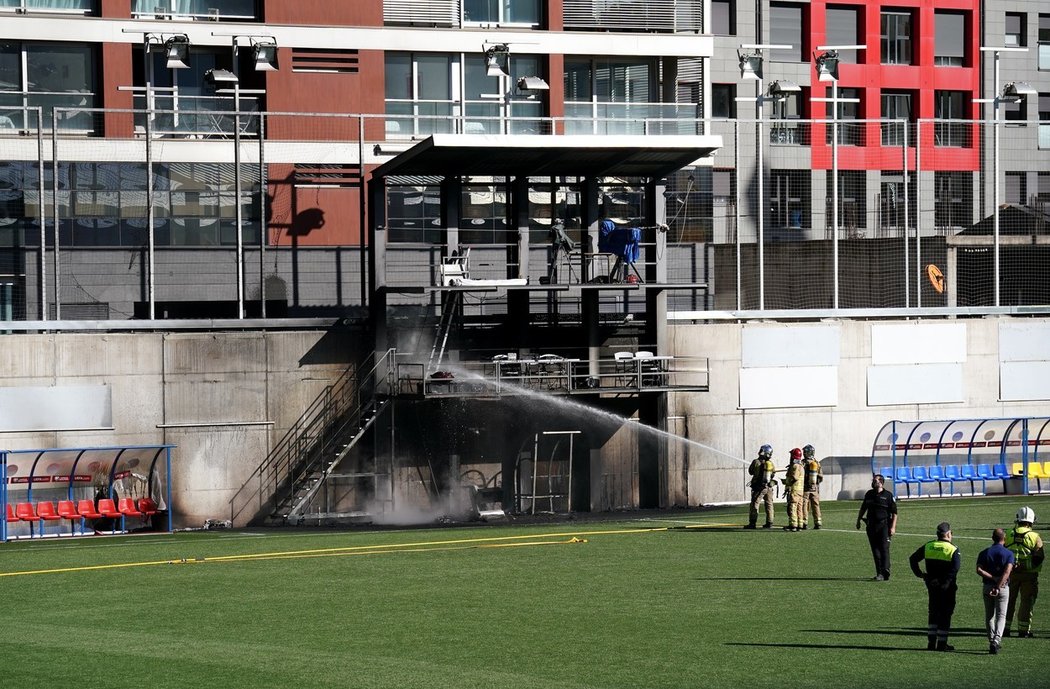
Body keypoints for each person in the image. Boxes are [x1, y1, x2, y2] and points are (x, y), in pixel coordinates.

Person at [910, 522, 962, 651]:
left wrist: (921, 575)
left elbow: (913, 559)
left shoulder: (929, 546)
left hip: (932, 585)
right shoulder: (953, 549)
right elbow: (955, 568)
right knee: (945, 613)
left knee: (933, 612)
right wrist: (946, 581)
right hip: (947, 587)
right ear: (949, 534)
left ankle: (931, 642)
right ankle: (942, 643)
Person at [1005, 506, 1045, 638]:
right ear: (1031, 521)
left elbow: (1003, 551)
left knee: (1008, 601)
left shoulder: (1008, 533)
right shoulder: (1035, 537)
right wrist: (1026, 566)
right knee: (1027, 602)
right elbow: (1039, 557)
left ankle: (1004, 628)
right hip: (1029, 575)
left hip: (1010, 574)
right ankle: (1023, 630)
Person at [976, 528, 1015, 654]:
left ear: (992, 538)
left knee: (989, 616)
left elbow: (979, 570)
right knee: (1001, 616)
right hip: (1003, 588)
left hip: (987, 586)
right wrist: (998, 585)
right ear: (1004, 538)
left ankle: (991, 639)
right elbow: (1007, 572)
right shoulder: (1009, 554)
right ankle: (996, 640)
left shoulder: (984, 553)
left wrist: (992, 578)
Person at [856, 474, 897, 581]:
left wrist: (893, 527)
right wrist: (858, 520)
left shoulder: (888, 495)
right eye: (875, 480)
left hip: (884, 525)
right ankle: (880, 573)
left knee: (884, 548)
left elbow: (895, 513)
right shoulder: (869, 494)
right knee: (875, 550)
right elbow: (863, 508)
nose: (876, 482)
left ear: (882, 482)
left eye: (878, 480)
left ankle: (886, 570)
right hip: (871, 525)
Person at [745, 444, 776, 529]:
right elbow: (773, 474)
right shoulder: (770, 463)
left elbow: (751, 471)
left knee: (755, 504)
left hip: (759, 487)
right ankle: (769, 522)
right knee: (769, 504)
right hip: (769, 487)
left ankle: (752, 523)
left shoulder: (756, 462)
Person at [801, 444, 823, 530]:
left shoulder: (803, 463)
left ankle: (804, 522)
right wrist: (815, 484)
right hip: (814, 489)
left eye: (805, 452)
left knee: (804, 505)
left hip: (805, 488)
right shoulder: (817, 463)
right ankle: (818, 522)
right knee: (816, 505)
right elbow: (821, 477)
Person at [782, 448, 804, 532]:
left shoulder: (795, 466)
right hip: (800, 491)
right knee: (799, 508)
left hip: (794, 490)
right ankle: (800, 525)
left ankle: (793, 525)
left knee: (793, 507)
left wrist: (788, 483)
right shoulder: (801, 466)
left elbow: (795, 477)